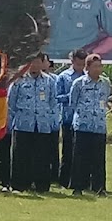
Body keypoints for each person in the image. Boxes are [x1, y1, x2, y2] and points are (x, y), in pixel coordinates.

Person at [8, 52, 57, 193]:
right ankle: (19, 185)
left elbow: (53, 102)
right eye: (31, 62)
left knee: (42, 157)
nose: (34, 65)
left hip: (42, 124)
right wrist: (10, 122)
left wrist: (53, 121)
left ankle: (41, 185)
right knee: (21, 156)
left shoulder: (49, 81)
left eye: (37, 62)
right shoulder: (18, 80)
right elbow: (11, 102)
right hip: (23, 123)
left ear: (42, 63)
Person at [69, 54, 110, 197]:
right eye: (95, 66)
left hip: (99, 126)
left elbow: (105, 100)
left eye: (100, 66)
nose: (98, 69)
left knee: (98, 158)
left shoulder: (105, 83)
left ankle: (99, 188)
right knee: (80, 158)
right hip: (82, 126)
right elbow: (72, 103)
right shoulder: (79, 83)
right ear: (87, 68)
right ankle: (78, 187)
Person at [56, 49, 87, 188]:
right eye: (78, 64)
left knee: (82, 153)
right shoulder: (63, 77)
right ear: (72, 61)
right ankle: (64, 181)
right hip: (68, 118)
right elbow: (57, 97)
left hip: (84, 120)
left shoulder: (88, 77)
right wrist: (72, 95)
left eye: (83, 64)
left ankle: (82, 181)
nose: (80, 67)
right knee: (68, 151)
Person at [42, 55, 61, 183]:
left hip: (52, 119)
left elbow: (55, 100)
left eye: (44, 61)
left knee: (52, 151)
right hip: (35, 121)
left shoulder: (55, 79)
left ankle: (54, 176)